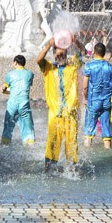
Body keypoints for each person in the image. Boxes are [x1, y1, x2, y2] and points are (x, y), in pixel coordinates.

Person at [36, 35, 81, 171]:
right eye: (57, 53)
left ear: (67, 53)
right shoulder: (48, 68)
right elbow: (38, 59)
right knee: (52, 142)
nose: (59, 55)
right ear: (54, 54)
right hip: (55, 113)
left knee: (71, 142)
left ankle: (72, 171)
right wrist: (49, 44)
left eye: (62, 52)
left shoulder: (73, 64)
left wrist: (76, 41)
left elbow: (83, 52)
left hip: (71, 113)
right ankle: (49, 169)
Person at [82, 43, 112, 149]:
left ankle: (87, 152)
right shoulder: (111, 67)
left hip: (93, 102)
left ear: (94, 51)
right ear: (104, 52)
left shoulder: (89, 66)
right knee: (106, 127)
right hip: (106, 101)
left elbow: (85, 86)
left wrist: (85, 98)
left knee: (89, 128)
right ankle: (108, 149)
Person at [1, 54, 35, 146]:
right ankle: (30, 146)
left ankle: (5, 145)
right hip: (24, 104)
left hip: (12, 105)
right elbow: (24, 87)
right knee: (28, 128)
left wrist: (3, 90)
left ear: (15, 63)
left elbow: (4, 89)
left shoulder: (10, 74)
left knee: (8, 127)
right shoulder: (30, 74)